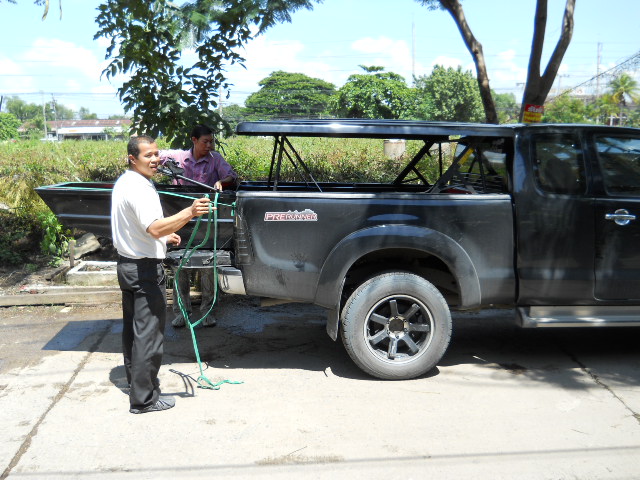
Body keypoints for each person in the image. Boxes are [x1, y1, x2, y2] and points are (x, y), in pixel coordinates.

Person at [111, 135, 213, 414]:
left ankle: (137, 385)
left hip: (128, 265)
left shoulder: (125, 182)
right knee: (149, 335)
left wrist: (165, 237)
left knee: (135, 332)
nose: (155, 160)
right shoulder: (140, 188)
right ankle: (145, 400)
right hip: (143, 270)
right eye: (148, 156)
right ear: (133, 158)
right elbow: (154, 227)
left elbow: (142, 228)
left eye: (156, 154)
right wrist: (189, 212)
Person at [159, 124, 237, 329]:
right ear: (193, 140)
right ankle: (181, 313)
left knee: (208, 265)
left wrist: (222, 181)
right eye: (205, 141)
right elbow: (152, 156)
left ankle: (207, 312)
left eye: (212, 141)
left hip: (207, 219)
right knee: (179, 266)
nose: (209, 145)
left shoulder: (215, 159)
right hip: (181, 217)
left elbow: (231, 175)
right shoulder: (177, 157)